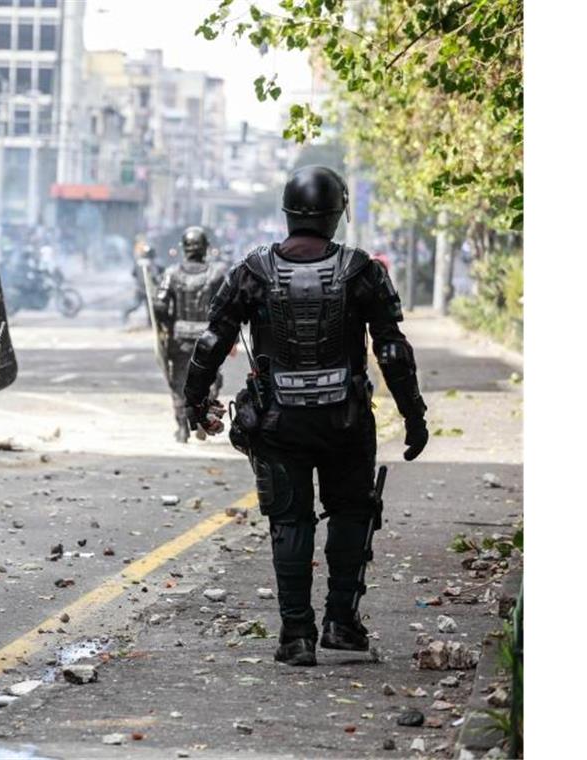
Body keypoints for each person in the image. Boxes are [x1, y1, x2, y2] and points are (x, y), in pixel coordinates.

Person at [183, 166, 429, 666]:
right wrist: (414, 415)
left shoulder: (253, 271)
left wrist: (193, 402)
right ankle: (342, 623)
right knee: (352, 513)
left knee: (289, 523)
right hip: (346, 421)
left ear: (288, 211)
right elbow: (392, 351)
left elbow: (212, 341)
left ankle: (296, 634)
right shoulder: (362, 270)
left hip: (277, 424)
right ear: (338, 212)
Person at [153, 226, 228, 442]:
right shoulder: (216, 274)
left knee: (179, 384)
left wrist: (166, 324)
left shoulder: (171, 273)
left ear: (184, 248)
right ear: (205, 248)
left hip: (180, 339)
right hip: (208, 339)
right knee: (209, 381)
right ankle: (202, 420)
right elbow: (226, 306)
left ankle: (183, 428)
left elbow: (159, 305)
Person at [122, 243, 159, 324]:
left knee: (137, 305)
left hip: (140, 289)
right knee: (150, 308)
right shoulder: (152, 264)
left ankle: (126, 314)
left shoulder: (138, 263)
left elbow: (133, 274)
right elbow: (155, 277)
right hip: (148, 290)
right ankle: (151, 323)